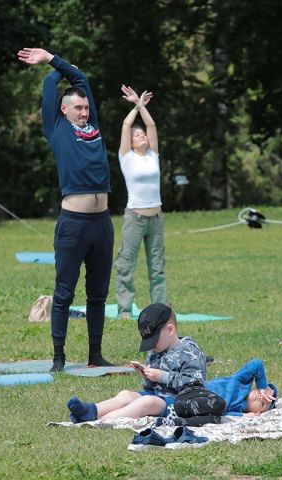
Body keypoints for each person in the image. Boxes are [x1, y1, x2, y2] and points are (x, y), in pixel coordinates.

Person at [18, 47, 114, 371]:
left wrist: (65, 64)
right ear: (64, 109)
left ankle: (95, 354)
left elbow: (82, 79)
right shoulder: (56, 127)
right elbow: (50, 84)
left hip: (102, 223)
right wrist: (52, 63)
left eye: (86, 107)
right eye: (78, 107)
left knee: (98, 294)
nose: (84, 112)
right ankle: (58, 357)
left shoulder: (94, 127)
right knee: (64, 293)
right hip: (74, 223)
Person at [66, 303, 207, 422]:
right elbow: (150, 389)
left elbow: (196, 383)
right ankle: (92, 410)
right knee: (126, 394)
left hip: (181, 402)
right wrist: (147, 376)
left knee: (146, 402)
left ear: (170, 330)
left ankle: (99, 421)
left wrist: (162, 376)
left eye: (154, 340)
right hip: (158, 396)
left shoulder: (190, 352)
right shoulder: (155, 351)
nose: (152, 346)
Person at [114, 85, 167, 318]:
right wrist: (136, 106)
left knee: (157, 268)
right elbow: (126, 125)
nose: (142, 135)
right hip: (135, 218)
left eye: (142, 134)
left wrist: (142, 106)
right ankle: (125, 309)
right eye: (138, 135)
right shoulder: (126, 158)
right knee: (126, 266)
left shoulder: (153, 155)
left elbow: (152, 125)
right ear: (131, 142)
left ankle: (161, 308)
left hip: (156, 218)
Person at [205, 358, 277, 417]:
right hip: (202, 388)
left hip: (203, 403)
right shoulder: (242, 382)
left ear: (256, 412)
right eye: (261, 394)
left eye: (262, 404)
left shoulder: (239, 408)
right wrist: (263, 387)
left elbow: (224, 414)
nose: (260, 398)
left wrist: (244, 415)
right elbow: (257, 364)